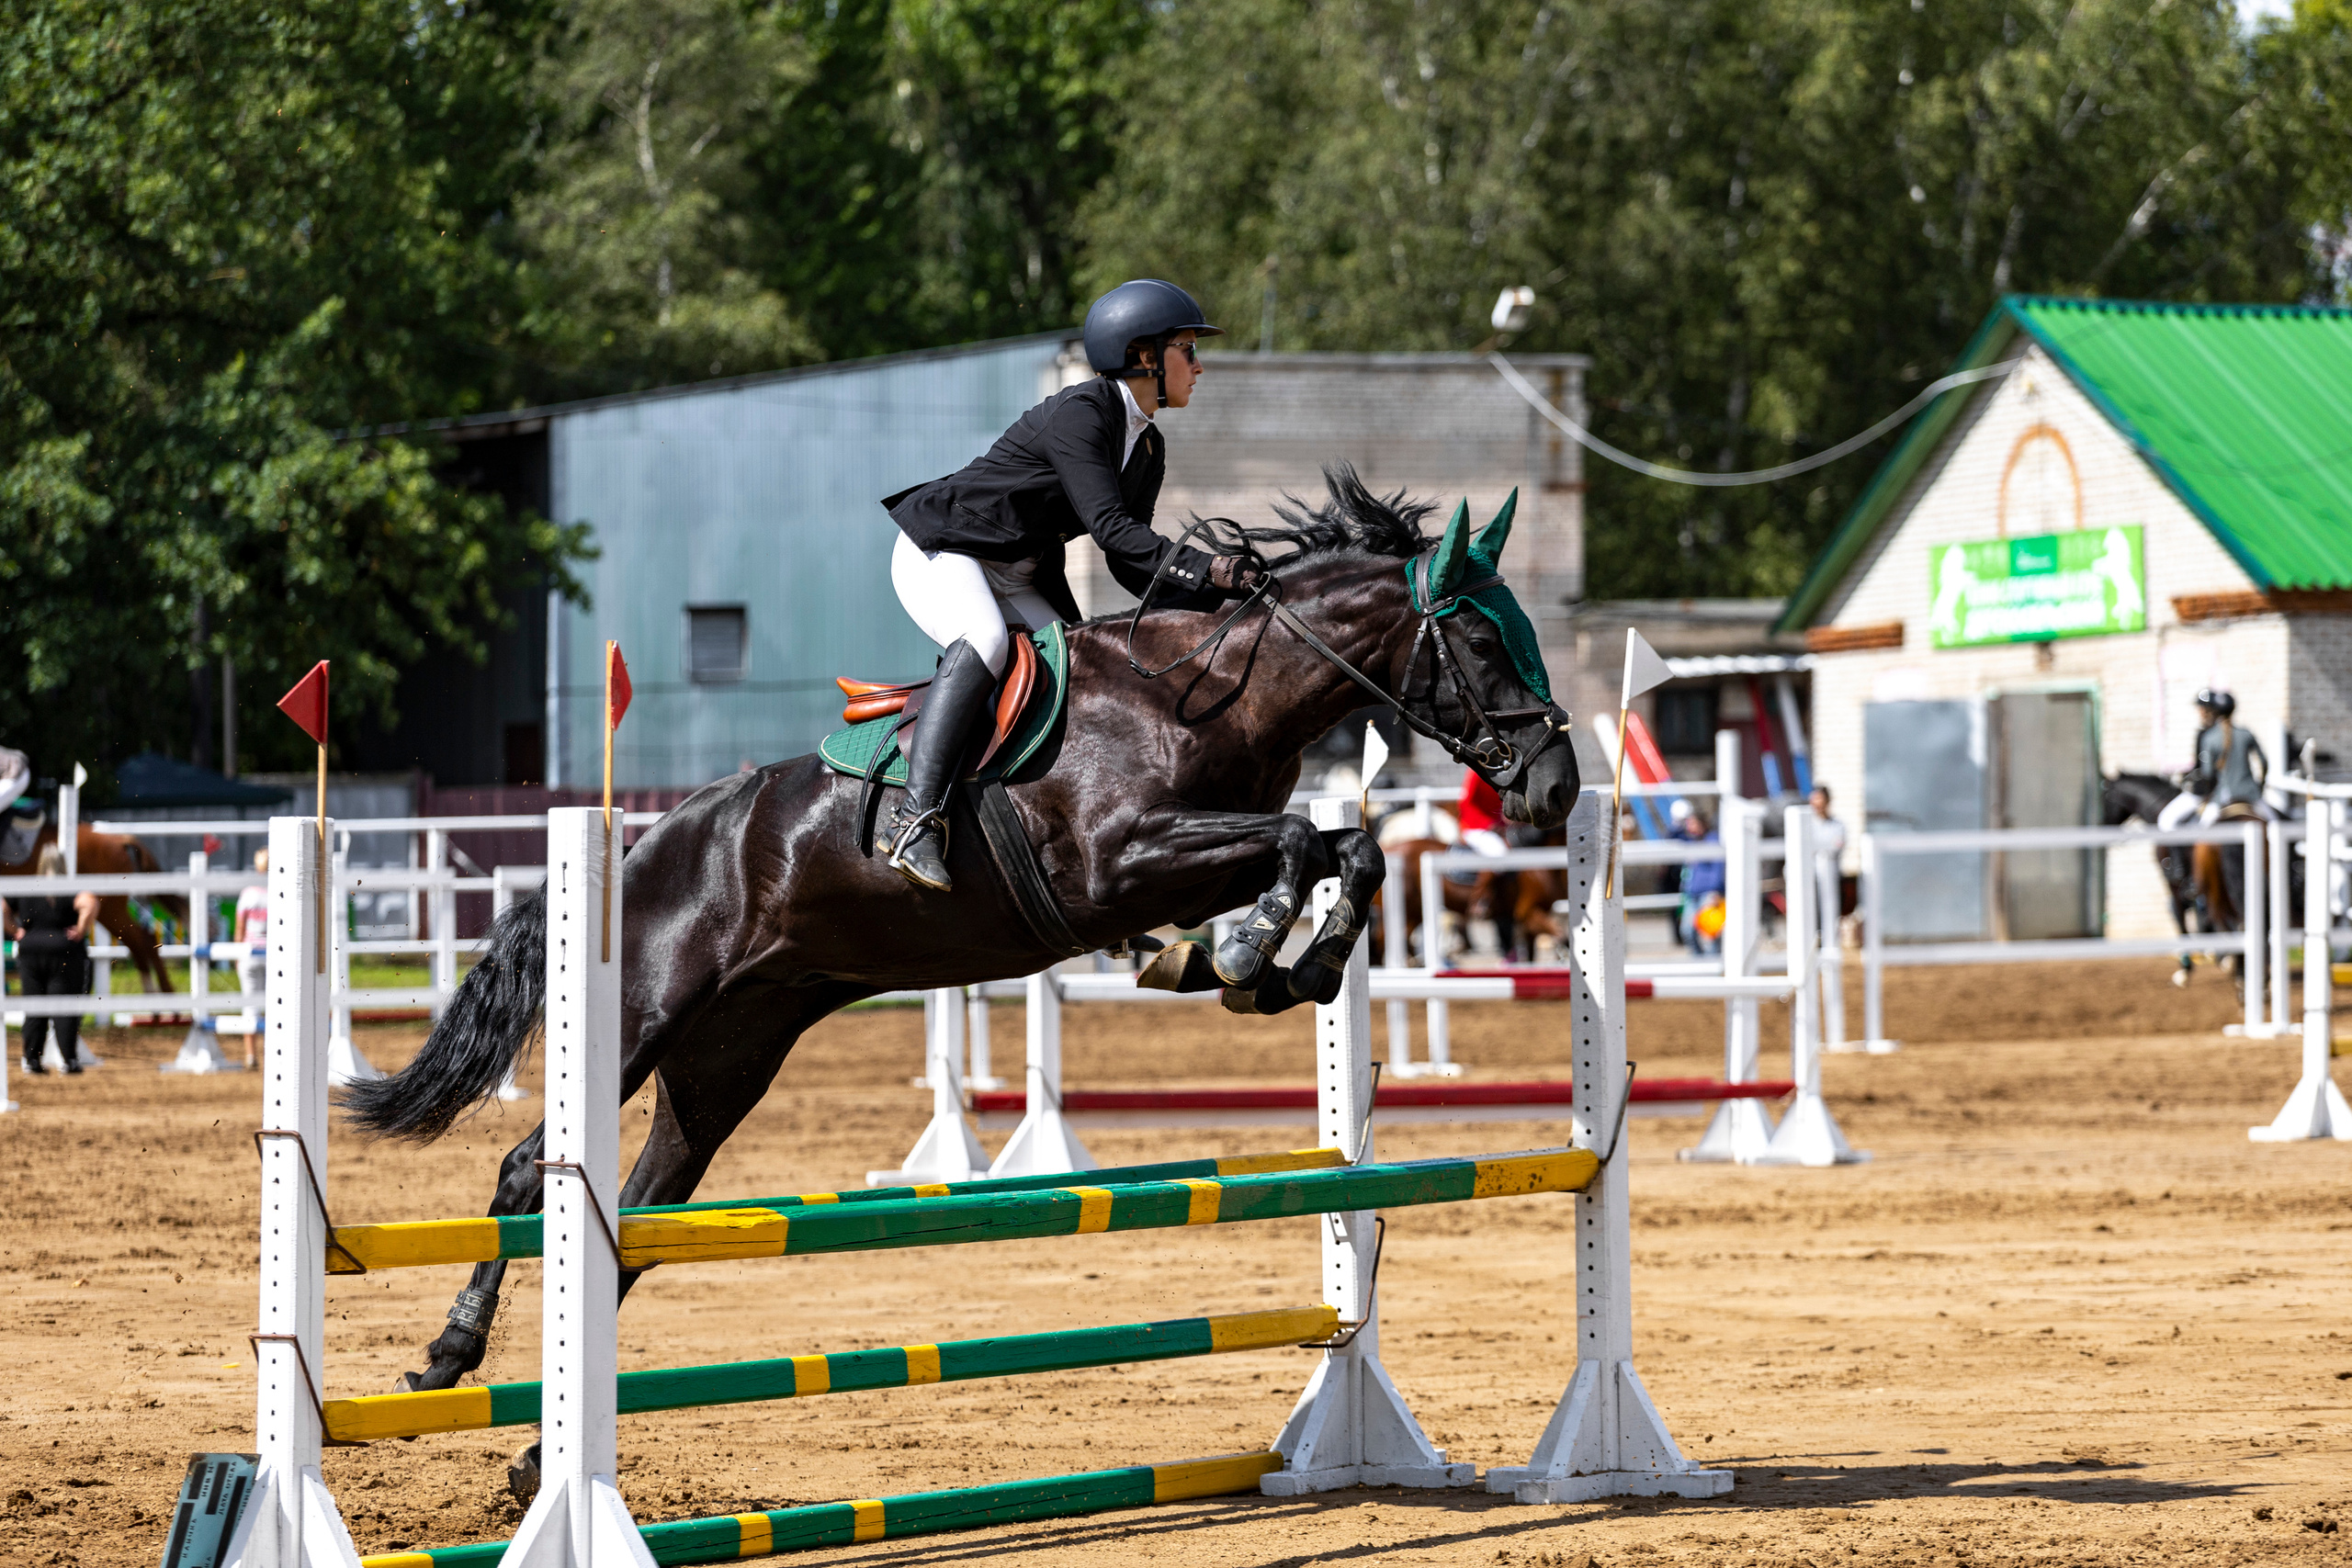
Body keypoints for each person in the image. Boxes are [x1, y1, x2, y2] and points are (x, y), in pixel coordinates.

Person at [877, 279, 1265, 892]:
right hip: (945, 548)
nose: (1198, 365)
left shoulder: (1147, 446)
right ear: (1143, 356)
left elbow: (1131, 566)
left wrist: (1218, 603)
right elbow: (1111, 531)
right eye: (1186, 349)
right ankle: (913, 820)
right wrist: (1210, 566)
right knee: (986, 640)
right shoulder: (1085, 412)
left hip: (1018, 568)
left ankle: (1069, 850)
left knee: (1079, 672)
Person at [6, 841, 98, 1075]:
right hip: (63, 951)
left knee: (34, 1006)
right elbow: (90, 903)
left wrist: (15, 931)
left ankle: (31, 1060)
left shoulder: (28, 887)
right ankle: (69, 1060)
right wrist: (80, 928)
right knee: (65, 1006)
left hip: (30, 951)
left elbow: (2, 907)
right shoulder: (68, 888)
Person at [2160, 689, 2272, 827]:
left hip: (2223, 795)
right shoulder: (2246, 733)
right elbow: (2264, 763)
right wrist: (2258, 786)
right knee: (2276, 826)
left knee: (2203, 832)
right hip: (2251, 793)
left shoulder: (2210, 737)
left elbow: (2208, 774)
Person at [1673, 799, 1724, 956]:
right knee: (1687, 931)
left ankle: (1713, 965)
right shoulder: (1690, 841)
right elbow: (1672, 836)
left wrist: (1717, 890)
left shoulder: (1713, 840)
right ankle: (1699, 962)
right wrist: (1678, 823)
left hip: (1709, 893)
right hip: (1692, 894)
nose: (1690, 827)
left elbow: (1719, 867)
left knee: (1710, 932)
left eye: (1693, 823)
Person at [234, 848, 269, 1069]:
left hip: (248, 953)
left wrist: (237, 953)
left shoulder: (248, 893)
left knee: (250, 1005)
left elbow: (239, 926)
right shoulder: (278, 891)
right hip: (273, 955)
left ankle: (250, 1055)